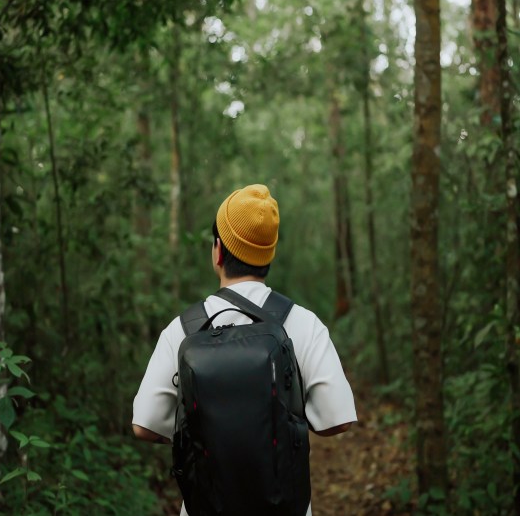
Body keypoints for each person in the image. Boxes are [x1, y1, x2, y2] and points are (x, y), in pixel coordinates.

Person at [132, 183, 357, 516]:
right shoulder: (303, 324)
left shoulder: (182, 330)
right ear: (269, 254)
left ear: (218, 251)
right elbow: (337, 421)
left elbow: (144, 426)